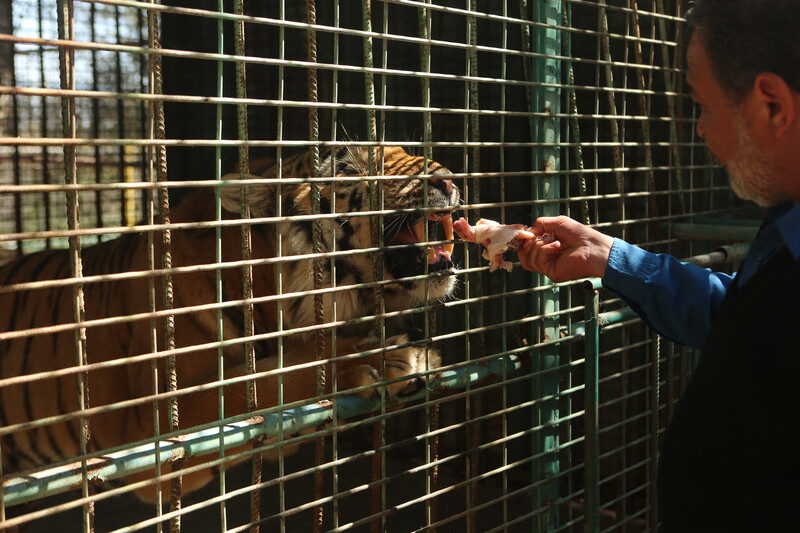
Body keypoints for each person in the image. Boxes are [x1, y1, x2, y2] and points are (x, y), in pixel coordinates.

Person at [517, 1, 800, 531]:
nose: (698, 130)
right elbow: (747, 324)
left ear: (772, 105)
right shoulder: (786, 219)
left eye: (702, 105)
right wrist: (614, 261)